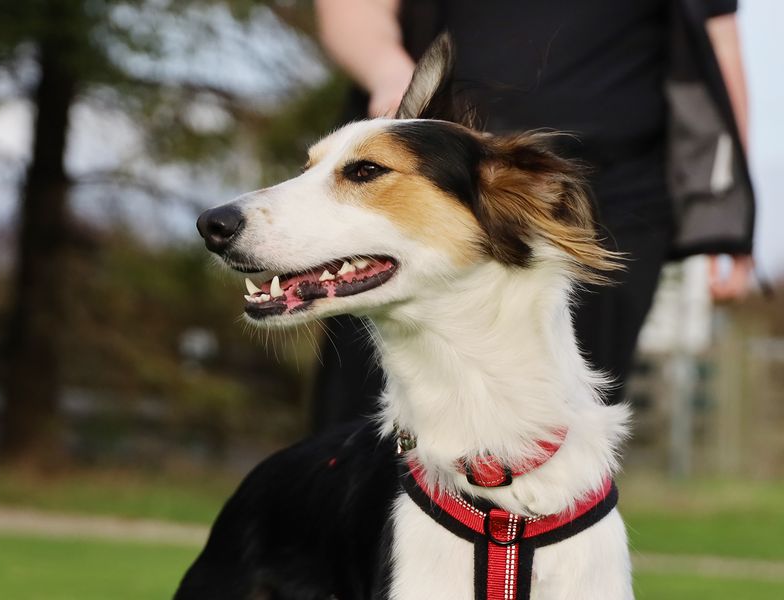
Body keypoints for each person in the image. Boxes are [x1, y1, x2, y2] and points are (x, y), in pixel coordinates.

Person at [311, 0, 755, 429]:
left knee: (568, 425)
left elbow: (719, 46)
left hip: (614, 201)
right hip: (425, 187)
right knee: (362, 428)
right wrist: (390, 73)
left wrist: (730, 211)